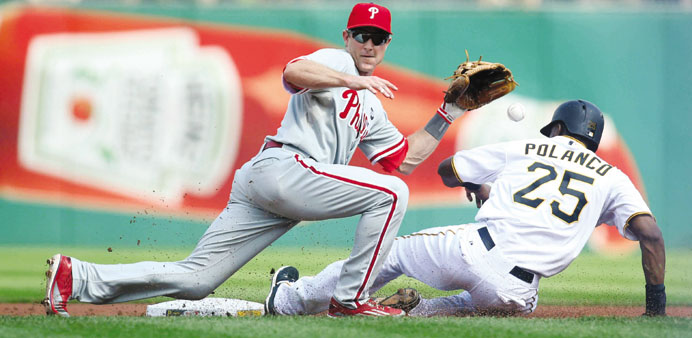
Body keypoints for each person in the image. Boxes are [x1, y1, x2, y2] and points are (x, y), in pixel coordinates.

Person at [44, 3, 471, 318]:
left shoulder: (372, 107)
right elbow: (293, 74)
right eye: (361, 34)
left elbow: (402, 159)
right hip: (285, 168)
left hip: (272, 184)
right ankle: (350, 300)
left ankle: (75, 277)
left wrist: (448, 113)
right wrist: (351, 79)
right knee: (392, 195)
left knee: (196, 281)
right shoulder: (336, 61)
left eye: (378, 38)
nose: (369, 44)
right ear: (347, 36)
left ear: (387, 43)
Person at [265, 99, 667, 317]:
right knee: (486, 305)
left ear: (559, 129)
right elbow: (649, 235)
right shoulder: (612, 177)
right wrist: (655, 307)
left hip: (476, 250)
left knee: (388, 253)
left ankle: (290, 299)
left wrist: (475, 182)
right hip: (518, 292)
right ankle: (418, 312)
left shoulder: (527, 146)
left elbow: (447, 169)